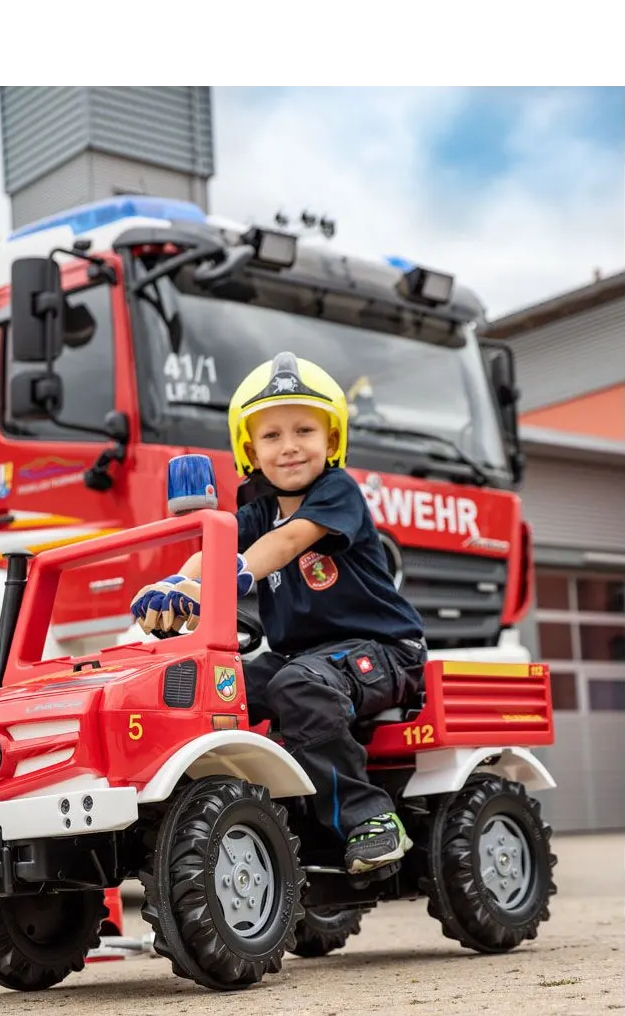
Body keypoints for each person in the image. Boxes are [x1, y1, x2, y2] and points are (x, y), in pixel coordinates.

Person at [130, 351, 427, 876]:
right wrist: (173, 586)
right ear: (250, 450)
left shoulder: (336, 492)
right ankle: (238, 816)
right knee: (215, 684)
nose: (289, 446)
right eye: (271, 436)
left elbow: (288, 542)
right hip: (306, 658)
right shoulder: (256, 511)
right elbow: (214, 547)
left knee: (298, 685)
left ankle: (372, 818)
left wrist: (234, 573)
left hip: (382, 650)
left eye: (304, 430)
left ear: (331, 440)